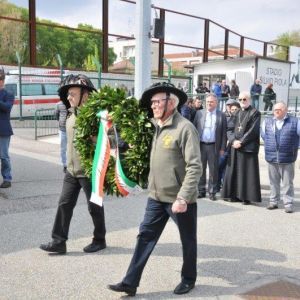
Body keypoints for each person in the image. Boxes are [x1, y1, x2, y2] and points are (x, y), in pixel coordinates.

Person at [108, 82, 202, 297]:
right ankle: (130, 282)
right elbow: (138, 146)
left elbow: (195, 166)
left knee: (188, 240)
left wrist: (183, 197)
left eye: (157, 101)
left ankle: (189, 279)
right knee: (145, 236)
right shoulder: (154, 126)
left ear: (171, 103)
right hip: (156, 197)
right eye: (152, 102)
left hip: (179, 198)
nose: (153, 106)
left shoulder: (185, 128)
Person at [40, 74, 106, 254]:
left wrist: (95, 138)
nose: (69, 97)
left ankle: (100, 239)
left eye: (73, 94)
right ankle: (58, 241)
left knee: (95, 206)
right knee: (64, 204)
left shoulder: (95, 117)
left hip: (90, 170)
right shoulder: (70, 115)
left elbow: (106, 141)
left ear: (85, 95)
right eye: (68, 94)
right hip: (71, 170)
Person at [222, 91, 261, 205]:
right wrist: (233, 140)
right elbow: (229, 128)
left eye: (245, 99)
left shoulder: (255, 113)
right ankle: (234, 195)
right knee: (234, 171)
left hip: (247, 147)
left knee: (245, 173)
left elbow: (253, 131)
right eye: (240, 100)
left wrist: (241, 142)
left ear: (249, 100)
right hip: (235, 146)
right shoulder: (236, 112)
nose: (242, 101)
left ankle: (245, 197)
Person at [261, 102, 300, 213]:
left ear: (285, 110)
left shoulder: (295, 122)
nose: (277, 111)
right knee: (273, 182)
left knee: (287, 183)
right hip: (271, 156)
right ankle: (273, 201)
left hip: (287, 158)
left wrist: (294, 147)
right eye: (275, 109)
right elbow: (264, 136)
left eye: (279, 109)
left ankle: (288, 203)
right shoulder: (267, 121)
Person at [193, 93, 227, 200]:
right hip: (201, 145)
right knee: (201, 169)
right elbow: (193, 129)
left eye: (211, 102)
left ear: (216, 103)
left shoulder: (221, 115)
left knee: (213, 170)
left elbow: (224, 133)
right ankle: (201, 190)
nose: (209, 104)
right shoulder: (199, 113)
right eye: (207, 102)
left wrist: (222, 148)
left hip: (214, 146)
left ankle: (212, 192)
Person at [217, 99, 240, 192]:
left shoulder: (239, 118)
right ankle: (217, 185)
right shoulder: (223, 116)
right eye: (228, 105)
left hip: (232, 146)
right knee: (220, 166)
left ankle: (226, 186)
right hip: (224, 147)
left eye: (234, 107)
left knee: (228, 168)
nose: (230, 108)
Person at [0, 67, 14, 189]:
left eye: (1, 79)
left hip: (3, 130)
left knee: (4, 156)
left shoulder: (8, 94)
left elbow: (7, 107)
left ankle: (7, 178)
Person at [55, 100, 68, 173]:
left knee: (72, 148)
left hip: (72, 129)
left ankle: (71, 164)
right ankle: (65, 165)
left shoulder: (72, 103)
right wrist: (61, 122)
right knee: (63, 148)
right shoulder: (58, 104)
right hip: (62, 130)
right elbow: (56, 115)